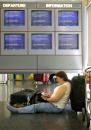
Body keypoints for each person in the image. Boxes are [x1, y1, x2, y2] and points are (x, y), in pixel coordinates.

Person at [7, 71, 71, 113]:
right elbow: (57, 96)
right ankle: (21, 107)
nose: (56, 80)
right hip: (56, 105)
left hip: (56, 107)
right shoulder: (65, 84)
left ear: (62, 78)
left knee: (36, 107)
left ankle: (17, 111)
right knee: (37, 100)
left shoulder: (64, 86)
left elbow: (55, 99)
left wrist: (46, 98)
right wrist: (49, 95)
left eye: (57, 78)